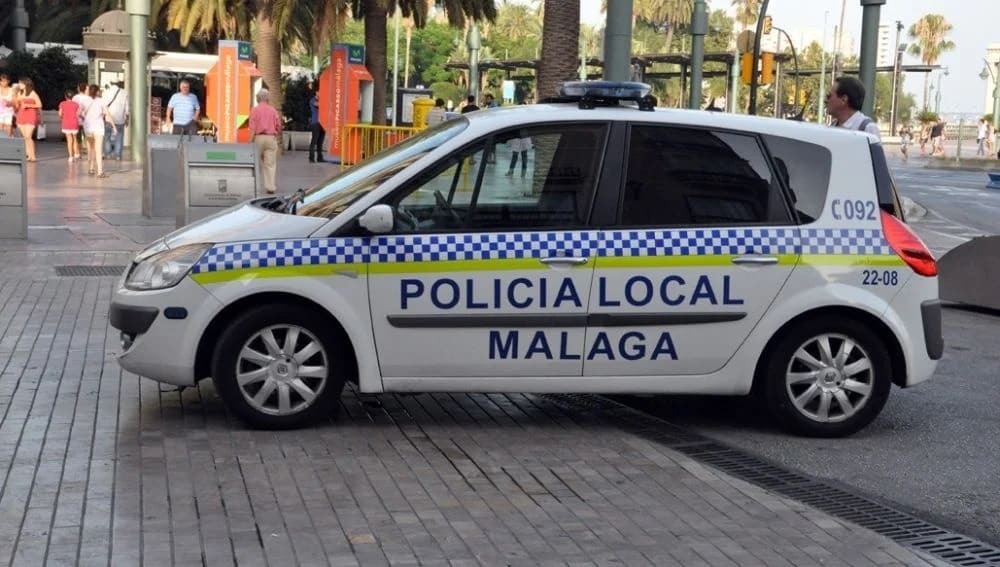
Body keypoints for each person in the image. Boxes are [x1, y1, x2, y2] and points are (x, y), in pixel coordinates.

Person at [248, 88, 282, 194]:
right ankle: (270, 187)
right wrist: (275, 134)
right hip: (271, 138)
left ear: (258, 98)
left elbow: (252, 128)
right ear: (268, 98)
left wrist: (250, 141)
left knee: (255, 163)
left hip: (258, 138)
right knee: (270, 164)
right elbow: (279, 126)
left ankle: (254, 186)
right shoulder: (273, 110)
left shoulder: (255, 110)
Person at [825, 76, 880, 140]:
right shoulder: (833, 125)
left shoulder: (868, 128)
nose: (826, 100)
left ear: (844, 99)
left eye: (829, 96)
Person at [80, 84, 116, 177]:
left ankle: (91, 169)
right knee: (98, 150)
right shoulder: (101, 101)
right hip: (98, 128)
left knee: (90, 149)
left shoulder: (84, 101)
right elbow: (107, 114)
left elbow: (78, 113)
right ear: (97, 92)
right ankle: (100, 172)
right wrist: (113, 126)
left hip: (88, 128)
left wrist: (85, 119)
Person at [13, 78, 42, 162]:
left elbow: (39, 104)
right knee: (24, 137)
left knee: (28, 136)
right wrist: (15, 98)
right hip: (21, 115)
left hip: (31, 116)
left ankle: (33, 156)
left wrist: (28, 105)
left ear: (26, 84)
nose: (19, 85)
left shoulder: (33, 93)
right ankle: (29, 155)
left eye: (21, 83)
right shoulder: (19, 93)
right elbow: (17, 105)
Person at [102, 81, 129, 161]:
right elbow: (127, 108)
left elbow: (103, 106)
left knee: (107, 136)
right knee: (119, 137)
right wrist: (127, 118)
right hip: (120, 119)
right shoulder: (124, 93)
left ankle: (107, 154)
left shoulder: (106, 92)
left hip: (108, 118)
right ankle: (117, 156)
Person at [58, 91, 81, 162]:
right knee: (75, 139)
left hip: (66, 123)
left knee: (69, 140)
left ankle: (70, 157)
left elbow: (60, 114)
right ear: (72, 97)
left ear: (65, 97)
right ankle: (76, 154)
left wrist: (62, 118)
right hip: (74, 123)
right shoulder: (76, 104)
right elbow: (78, 114)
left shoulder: (62, 104)